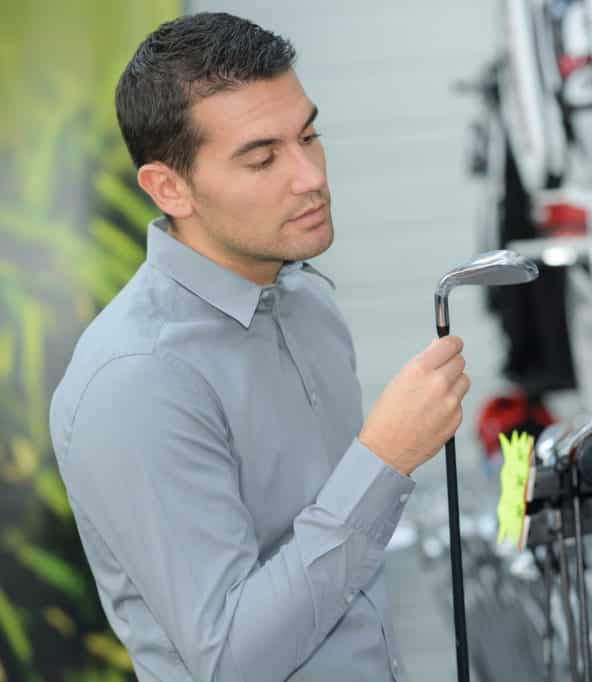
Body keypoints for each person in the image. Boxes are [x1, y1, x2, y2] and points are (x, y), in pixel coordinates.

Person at [48, 12, 469, 682]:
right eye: (262, 157)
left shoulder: (308, 301)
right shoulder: (136, 379)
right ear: (168, 188)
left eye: (309, 135)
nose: (309, 177)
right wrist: (385, 457)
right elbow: (232, 659)